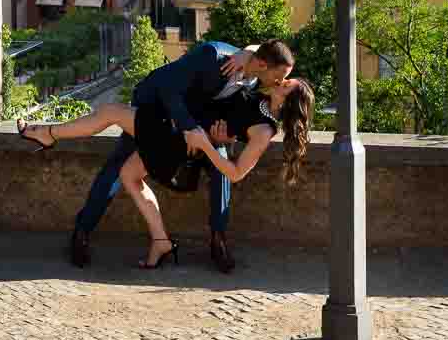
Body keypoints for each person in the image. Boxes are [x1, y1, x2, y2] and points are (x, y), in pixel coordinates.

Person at [19, 38, 296, 271]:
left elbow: (262, 61)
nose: (281, 80)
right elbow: (169, 90)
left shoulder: (254, 84)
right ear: (262, 64)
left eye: (283, 79)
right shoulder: (216, 57)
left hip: (185, 128)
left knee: (137, 166)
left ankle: (216, 238)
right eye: (280, 76)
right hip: (158, 108)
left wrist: (212, 136)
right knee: (119, 169)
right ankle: (82, 233)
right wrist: (189, 128)